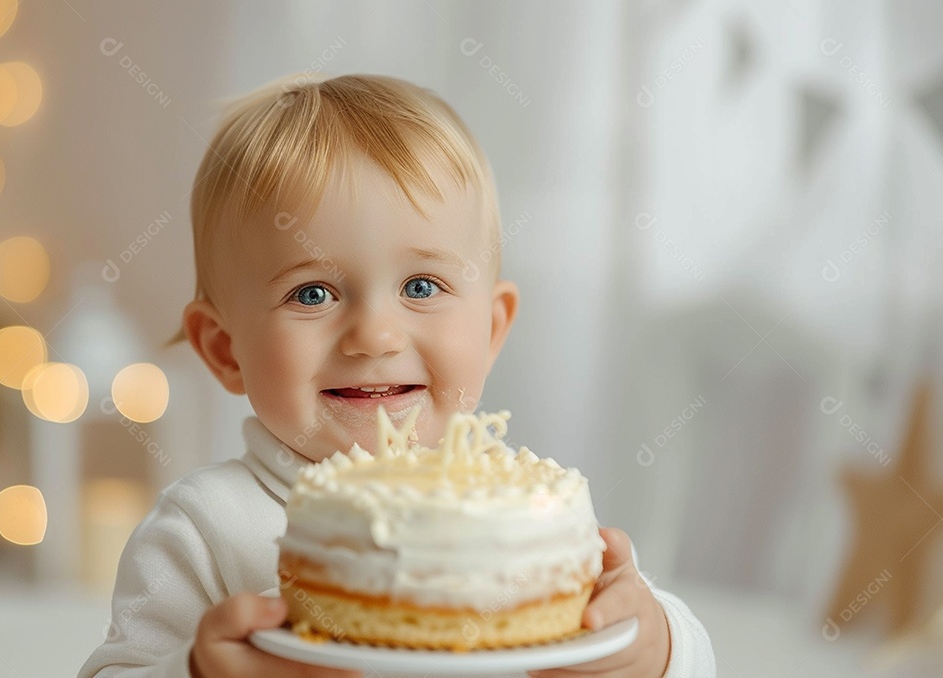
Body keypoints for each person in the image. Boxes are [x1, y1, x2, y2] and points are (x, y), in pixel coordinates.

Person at [79, 73, 715, 678]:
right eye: (312, 293)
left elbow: (676, 653)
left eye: (421, 285)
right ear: (224, 350)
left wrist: (653, 646)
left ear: (492, 331)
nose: (375, 336)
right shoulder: (203, 529)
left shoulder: (527, 513)